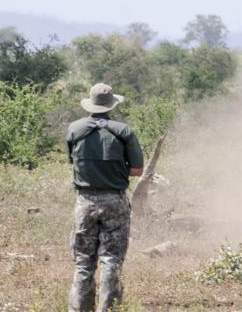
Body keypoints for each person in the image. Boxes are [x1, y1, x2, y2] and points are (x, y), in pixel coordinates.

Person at [66, 83, 144, 312]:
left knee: (83, 263)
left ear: (90, 103)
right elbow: (137, 170)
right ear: (112, 106)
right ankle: (108, 309)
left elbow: (73, 162)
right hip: (115, 201)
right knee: (111, 261)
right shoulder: (123, 131)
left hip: (85, 201)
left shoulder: (74, 129)